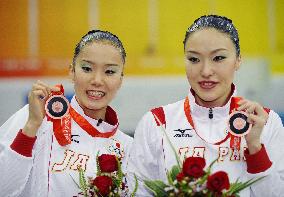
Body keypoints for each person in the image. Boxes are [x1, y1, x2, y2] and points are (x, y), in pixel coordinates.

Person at [127, 15, 284, 196]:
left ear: (238, 60)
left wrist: (255, 147)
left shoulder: (266, 121)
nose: (206, 71)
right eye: (194, 59)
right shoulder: (156, 123)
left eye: (218, 58)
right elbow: (137, 192)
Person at [0, 30, 133, 196]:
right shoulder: (37, 118)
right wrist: (31, 127)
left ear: (120, 79)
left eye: (110, 72)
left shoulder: (129, 147)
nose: (97, 80)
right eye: (87, 68)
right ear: (72, 71)